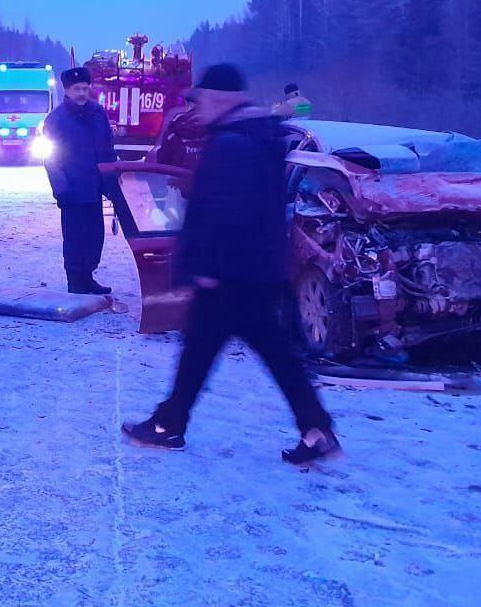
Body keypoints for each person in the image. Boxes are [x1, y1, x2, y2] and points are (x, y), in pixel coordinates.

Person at [121, 63, 340, 465]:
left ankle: (169, 424)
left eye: (201, 98)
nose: (197, 106)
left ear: (221, 98)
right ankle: (316, 429)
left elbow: (224, 210)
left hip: (229, 275)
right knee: (262, 353)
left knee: (204, 351)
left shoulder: (233, 143)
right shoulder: (256, 135)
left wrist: (206, 265)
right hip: (254, 271)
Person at [42, 66, 117, 294]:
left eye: (85, 88)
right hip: (72, 191)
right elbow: (51, 157)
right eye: (77, 89)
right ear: (67, 90)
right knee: (75, 239)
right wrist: (61, 189)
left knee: (95, 237)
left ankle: (88, 277)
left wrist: (111, 181)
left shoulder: (97, 113)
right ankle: (75, 282)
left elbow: (107, 148)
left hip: (95, 188)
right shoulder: (56, 119)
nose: (82, 93)